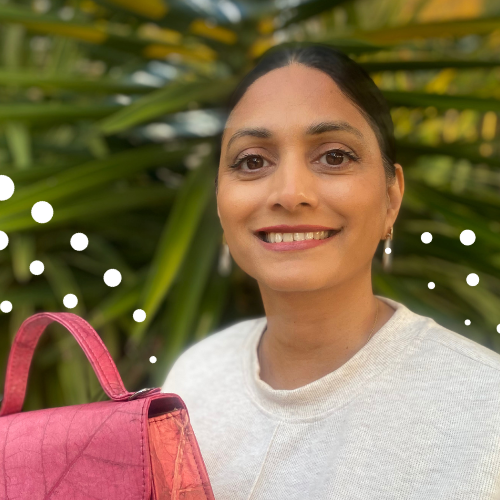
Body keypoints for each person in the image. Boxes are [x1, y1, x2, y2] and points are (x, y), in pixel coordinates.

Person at [162, 44, 500, 499]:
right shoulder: (194, 379)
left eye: (335, 156)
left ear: (391, 198)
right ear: (220, 203)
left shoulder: (485, 409)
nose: (290, 193)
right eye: (252, 161)